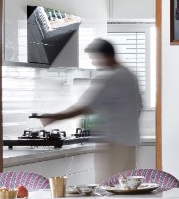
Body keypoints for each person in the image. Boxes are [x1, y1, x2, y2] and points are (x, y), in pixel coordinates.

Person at [39, 39, 143, 183]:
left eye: (95, 58)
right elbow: (139, 107)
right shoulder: (128, 75)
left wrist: (54, 117)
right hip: (129, 143)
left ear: (105, 55)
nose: (94, 63)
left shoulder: (111, 77)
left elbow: (84, 106)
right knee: (126, 186)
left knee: (106, 187)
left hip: (115, 144)